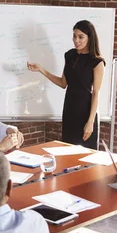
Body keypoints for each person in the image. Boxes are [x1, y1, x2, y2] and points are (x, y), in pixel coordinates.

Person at [27, 20, 105, 149]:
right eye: (74, 36)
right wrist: (42, 70)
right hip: (69, 110)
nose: (76, 40)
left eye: (81, 37)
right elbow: (63, 83)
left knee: (86, 155)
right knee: (67, 152)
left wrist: (90, 121)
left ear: (90, 38)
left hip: (86, 113)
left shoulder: (97, 62)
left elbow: (96, 93)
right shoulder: (70, 55)